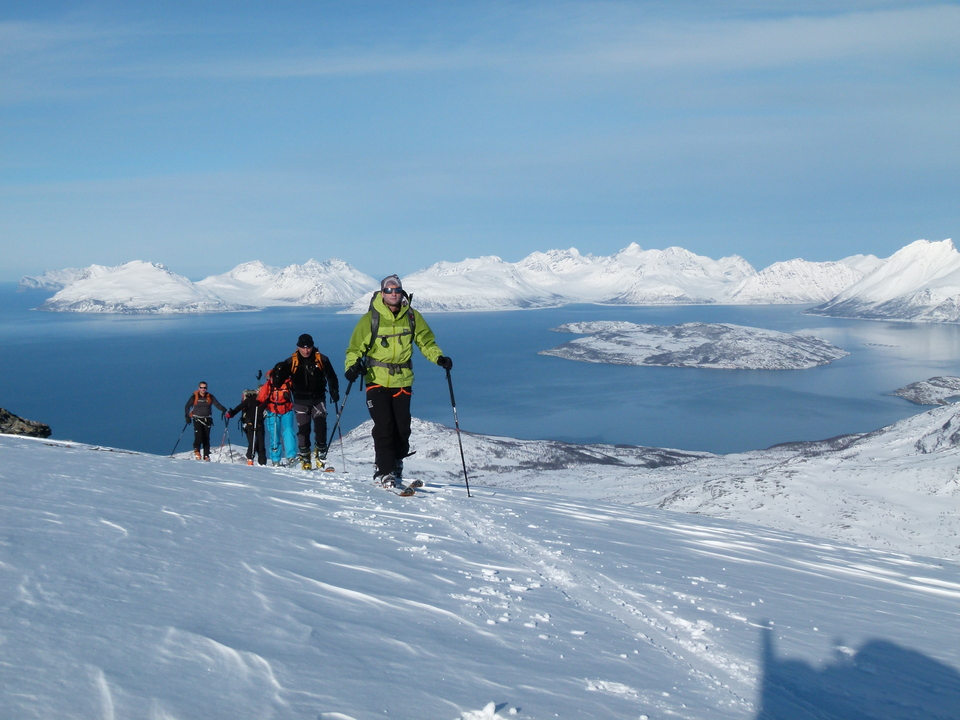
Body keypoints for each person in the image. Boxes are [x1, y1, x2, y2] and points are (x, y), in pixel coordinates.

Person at [344, 274, 452, 487]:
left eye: (397, 290)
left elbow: (426, 341)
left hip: (402, 380)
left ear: (402, 292)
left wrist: (439, 358)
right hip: (376, 380)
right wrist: (351, 367)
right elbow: (355, 348)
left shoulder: (411, 316)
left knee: (402, 428)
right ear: (382, 293)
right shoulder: (371, 319)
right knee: (383, 426)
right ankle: (384, 470)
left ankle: (397, 462)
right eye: (389, 290)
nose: (393, 294)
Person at [273, 334, 340, 470]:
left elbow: (332, 376)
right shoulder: (292, 361)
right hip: (300, 401)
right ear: (298, 347)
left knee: (320, 427)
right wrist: (277, 373)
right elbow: (277, 382)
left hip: (318, 399)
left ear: (312, 346)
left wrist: (334, 391)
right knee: (304, 430)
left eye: (308, 347)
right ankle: (305, 458)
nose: (306, 350)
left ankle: (320, 455)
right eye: (303, 348)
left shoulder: (321, 359)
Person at [258, 367, 299, 466]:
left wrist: (258, 406)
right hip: (285, 410)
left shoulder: (270, 383)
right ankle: (290, 456)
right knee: (288, 431)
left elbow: (261, 397)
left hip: (273, 411)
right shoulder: (288, 381)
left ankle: (276, 459)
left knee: (275, 434)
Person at [184, 381, 226, 461]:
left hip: (207, 419)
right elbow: (187, 406)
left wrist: (223, 409)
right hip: (197, 419)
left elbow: (217, 404)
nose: (203, 389)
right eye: (201, 387)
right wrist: (187, 417)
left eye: (205, 387)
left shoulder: (210, 397)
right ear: (198, 388)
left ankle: (206, 455)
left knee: (206, 438)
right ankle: (197, 451)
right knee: (199, 436)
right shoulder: (194, 397)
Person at [225, 388, 267, 466]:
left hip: (259, 425)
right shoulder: (250, 400)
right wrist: (231, 413)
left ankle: (262, 463)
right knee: (252, 443)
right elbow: (239, 407)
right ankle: (250, 459)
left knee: (261, 445)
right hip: (250, 424)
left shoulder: (266, 401)